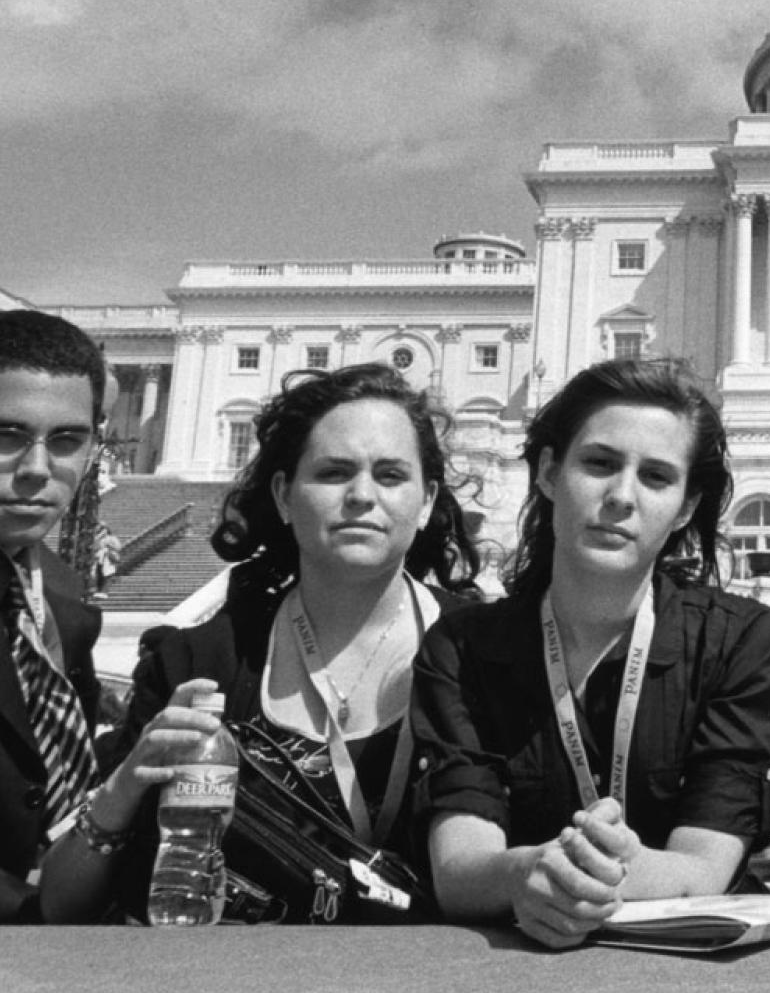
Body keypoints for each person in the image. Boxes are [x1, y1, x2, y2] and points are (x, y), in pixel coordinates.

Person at [41, 361, 481, 922]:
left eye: (391, 475)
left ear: (427, 501)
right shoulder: (194, 662)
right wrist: (123, 788)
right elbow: (61, 904)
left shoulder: (488, 652)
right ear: (283, 495)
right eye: (334, 473)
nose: (362, 495)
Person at [413, 359, 770, 949]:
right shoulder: (460, 647)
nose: (621, 496)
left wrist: (581, 874)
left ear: (686, 507)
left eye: (656, 477)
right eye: (599, 463)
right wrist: (526, 873)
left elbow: (704, 868)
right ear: (548, 472)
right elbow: (459, 870)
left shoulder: (744, 641)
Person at [0, 311, 105, 923]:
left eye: (66, 440)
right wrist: (36, 912)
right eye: (8, 435)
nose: (38, 468)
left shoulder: (64, 598)